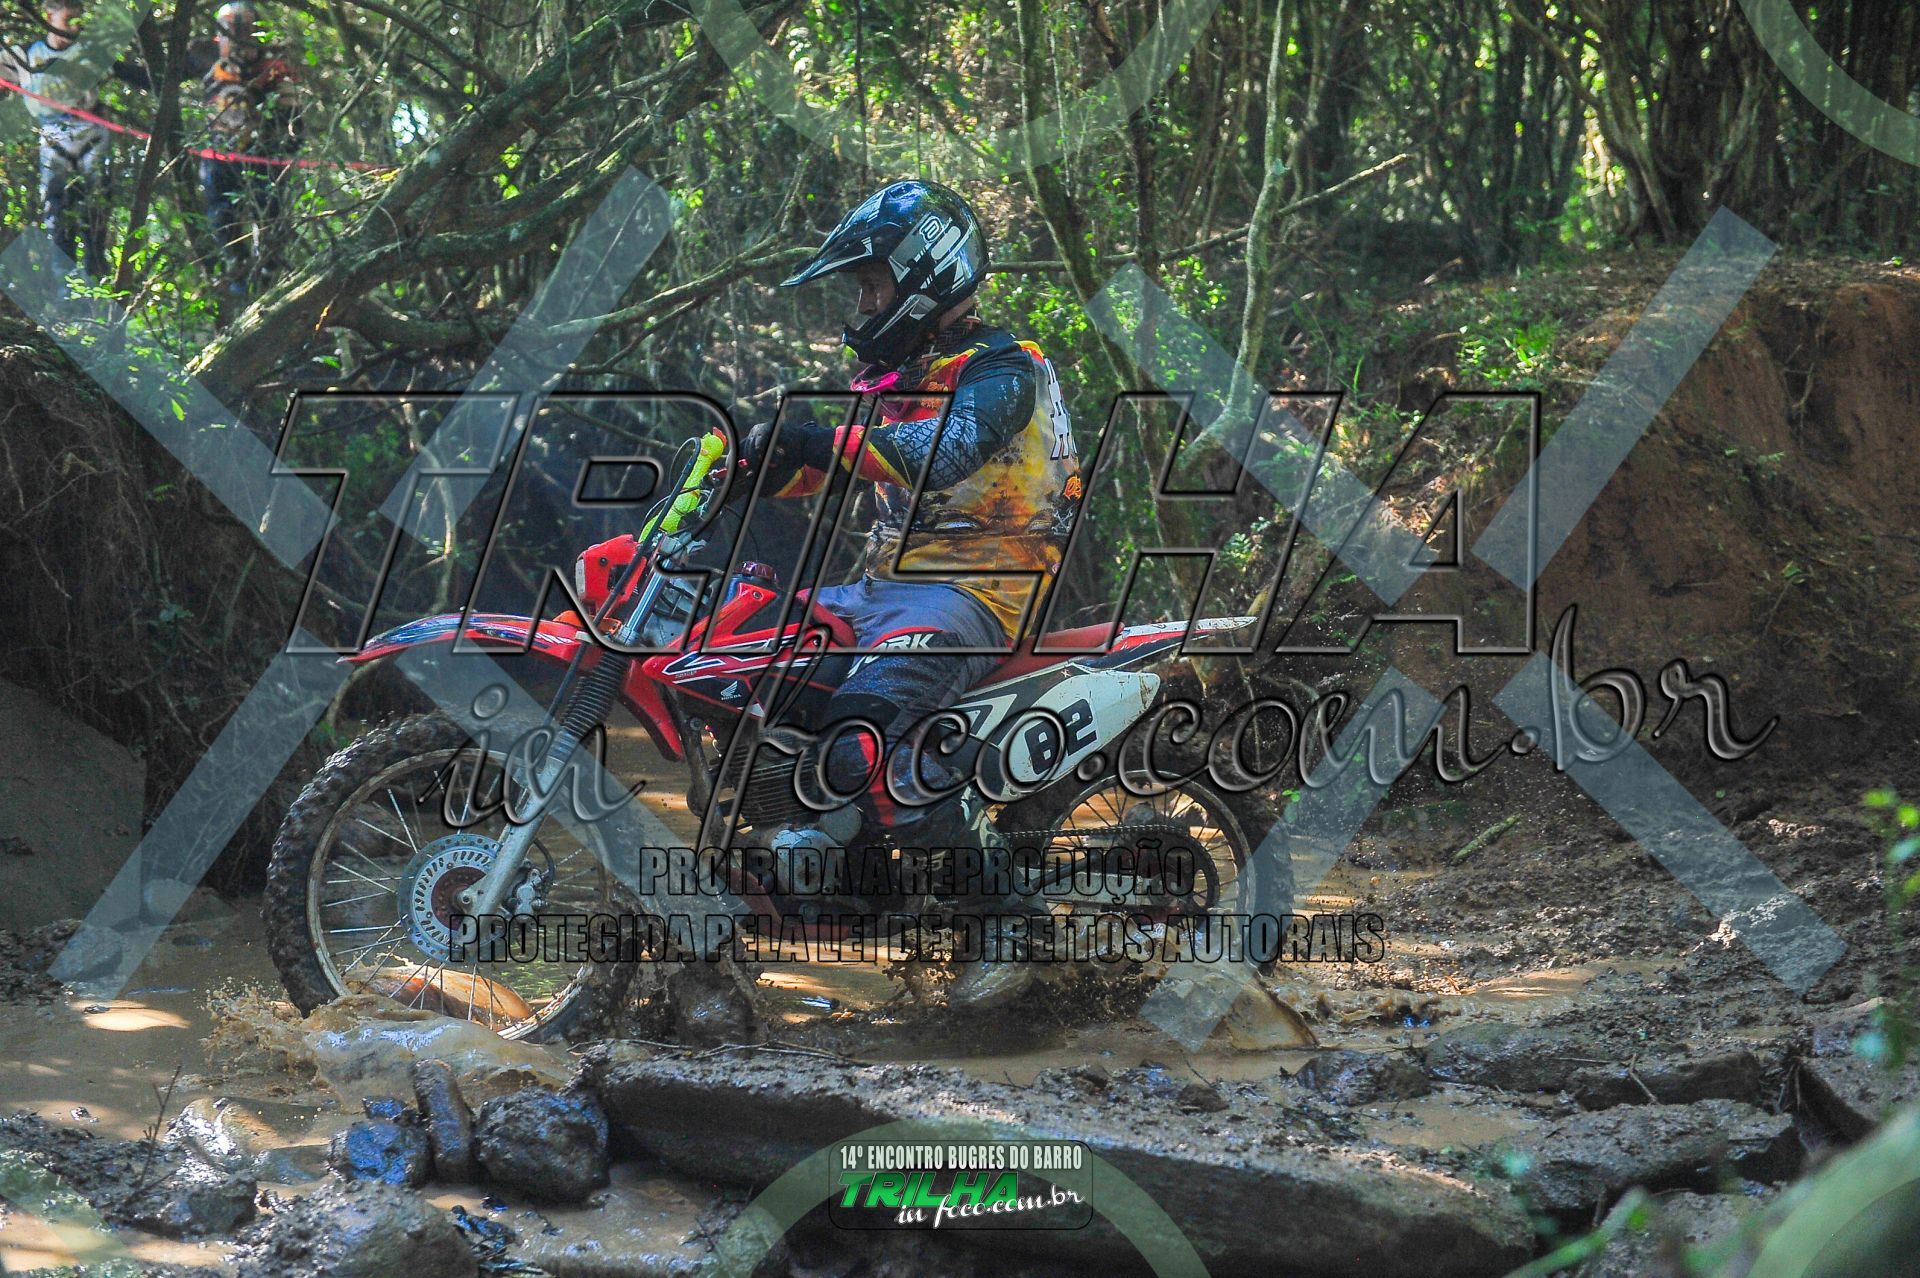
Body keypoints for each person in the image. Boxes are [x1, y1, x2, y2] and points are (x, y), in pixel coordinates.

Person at [739, 180, 1083, 1008]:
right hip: (888, 587)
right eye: (861, 289)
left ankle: (1012, 921)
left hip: (978, 592)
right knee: (747, 667)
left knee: (863, 742)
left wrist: (816, 439)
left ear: (927, 275)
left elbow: (949, 449)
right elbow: (844, 462)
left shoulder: (1004, 367)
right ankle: (832, 868)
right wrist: (750, 466)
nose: (863, 304)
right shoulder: (901, 375)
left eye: (872, 285)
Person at [14, 0, 150, 277]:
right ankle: (63, 286)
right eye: (68, 21)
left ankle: (96, 276)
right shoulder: (26, 54)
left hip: (92, 136)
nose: (74, 28)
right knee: (57, 213)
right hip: (53, 138)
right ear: (49, 16)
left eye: (79, 21)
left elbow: (131, 74)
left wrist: (168, 75)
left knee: (96, 210)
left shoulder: (90, 52)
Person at [197, 0, 299, 310]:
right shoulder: (208, 62)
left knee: (270, 220)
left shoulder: (273, 69)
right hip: (219, 156)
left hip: (261, 157)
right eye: (230, 30)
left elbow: (293, 119)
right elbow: (161, 76)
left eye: (246, 31)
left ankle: (268, 279)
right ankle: (237, 267)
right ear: (219, 35)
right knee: (221, 214)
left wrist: (285, 142)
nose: (239, 39)